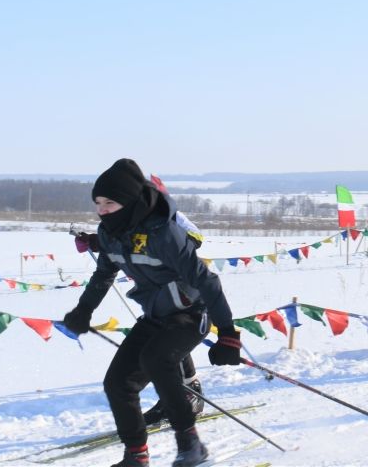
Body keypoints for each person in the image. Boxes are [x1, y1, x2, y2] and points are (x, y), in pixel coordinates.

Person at [61, 159, 242, 467]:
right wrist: (82, 311)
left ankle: (191, 444)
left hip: (190, 314)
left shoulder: (164, 233)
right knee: (118, 383)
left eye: (109, 202)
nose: (101, 209)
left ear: (130, 202)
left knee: (156, 359)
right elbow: (103, 276)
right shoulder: (109, 234)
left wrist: (227, 333)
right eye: (98, 203)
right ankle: (136, 456)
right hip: (156, 317)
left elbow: (206, 280)